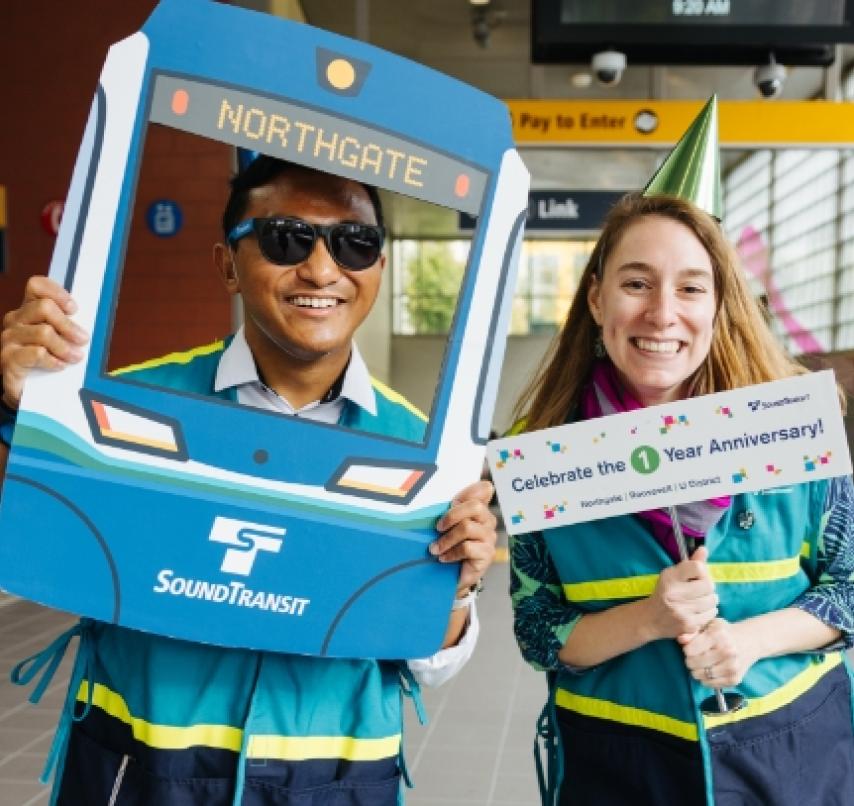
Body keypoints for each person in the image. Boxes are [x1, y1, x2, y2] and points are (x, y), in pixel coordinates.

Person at [0, 156, 498, 805]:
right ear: (227, 264)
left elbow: (436, 664)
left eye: (355, 244)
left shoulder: (422, 445)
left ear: (378, 266)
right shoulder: (128, 405)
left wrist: (456, 593)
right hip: (148, 774)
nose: (322, 269)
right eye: (285, 238)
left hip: (338, 785)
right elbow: (47, 546)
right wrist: (20, 411)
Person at [510, 190, 854, 806]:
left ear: (720, 304)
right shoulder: (548, 463)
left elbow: (850, 587)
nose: (662, 313)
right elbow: (537, 632)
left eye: (691, 288)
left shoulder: (790, 431)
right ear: (596, 297)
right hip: (616, 764)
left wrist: (752, 640)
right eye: (637, 283)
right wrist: (646, 619)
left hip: (793, 755)